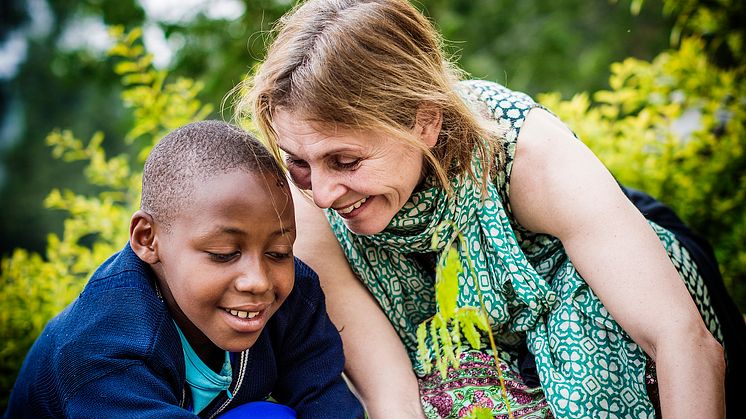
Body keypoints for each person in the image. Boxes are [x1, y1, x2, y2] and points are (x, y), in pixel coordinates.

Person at [237, 0, 746, 417]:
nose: (323, 192)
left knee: (607, 330)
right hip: (474, 334)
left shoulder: (523, 148)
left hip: (579, 276)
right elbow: (392, 396)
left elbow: (683, 341)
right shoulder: (307, 209)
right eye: (299, 163)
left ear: (424, 123)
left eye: (345, 160)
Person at [3, 121, 365, 418]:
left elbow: (326, 402)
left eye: (278, 252)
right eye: (224, 253)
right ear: (148, 240)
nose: (258, 281)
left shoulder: (294, 297)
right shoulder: (103, 348)